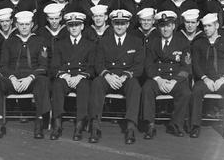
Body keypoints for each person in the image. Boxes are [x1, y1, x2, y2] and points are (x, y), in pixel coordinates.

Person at [0, 11, 50, 139]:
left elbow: (43, 65)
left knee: (43, 82)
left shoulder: (40, 41)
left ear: (32, 24)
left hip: (32, 79)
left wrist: (30, 77)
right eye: (21, 24)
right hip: (13, 79)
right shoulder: (9, 42)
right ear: (16, 25)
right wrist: (12, 78)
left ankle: (38, 123)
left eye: (27, 24)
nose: (24, 27)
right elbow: (3, 65)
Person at [90, 9, 145, 144]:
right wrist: (107, 75)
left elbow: (139, 66)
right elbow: (98, 63)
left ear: (127, 24)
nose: (119, 26)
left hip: (126, 77)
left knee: (135, 86)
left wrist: (125, 76)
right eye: (116, 23)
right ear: (112, 24)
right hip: (109, 76)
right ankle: (95, 126)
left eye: (123, 23)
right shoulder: (104, 41)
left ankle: (130, 127)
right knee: (97, 82)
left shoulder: (136, 42)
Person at [141, 11, 192, 139]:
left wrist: (174, 81)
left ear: (173, 26)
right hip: (158, 78)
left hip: (175, 79)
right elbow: (148, 65)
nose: (165, 29)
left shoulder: (183, 42)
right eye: (163, 26)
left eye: (168, 25)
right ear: (159, 27)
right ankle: (150, 125)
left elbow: (186, 66)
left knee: (186, 92)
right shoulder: (152, 42)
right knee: (147, 89)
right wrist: (159, 80)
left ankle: (176, 124)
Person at [50, 12, 96, 141]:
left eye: (77, 25)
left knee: (84, 87)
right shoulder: (60, 44)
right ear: (67, 27)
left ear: (82, 26)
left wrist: (81, 76)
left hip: (81, 77)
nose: (74, 28)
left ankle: (79, 126)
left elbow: (92, 67)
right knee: (57, 85)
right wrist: (64, 75)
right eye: (71, 25)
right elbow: (54, 66)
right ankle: (57, 125)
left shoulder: (90, 45)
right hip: (66, 76)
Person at [190, 13, 224, 139]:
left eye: (209, 26)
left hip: (222, 79)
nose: (206, 29)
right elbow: (195, 65)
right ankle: (195, 125)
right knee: (196, 90)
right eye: (204, 26)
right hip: (205, 79)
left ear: (216, 25)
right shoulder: (198, 43)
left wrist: (223, 79)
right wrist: (205, 79)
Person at [36, 3, 69, 68]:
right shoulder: (41, 32)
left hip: (64, 65)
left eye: (56, 18)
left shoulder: (66, 31)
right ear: (47, 19)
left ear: (60, 18)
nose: (54, 21)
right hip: (46, 66)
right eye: (51, 19)